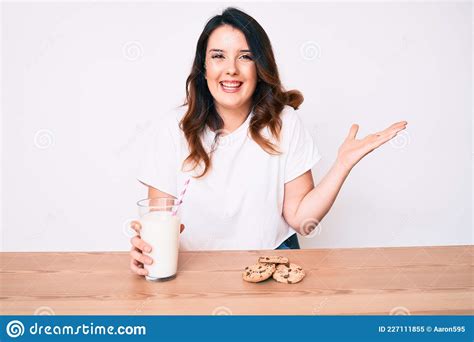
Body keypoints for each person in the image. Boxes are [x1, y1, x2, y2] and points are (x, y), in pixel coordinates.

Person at [129, 7, 407, 276]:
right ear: (203, 67)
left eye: (245, 57)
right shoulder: (172, 129)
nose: (231, 69)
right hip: (194, 269)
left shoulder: (284, 123)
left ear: (260, 67)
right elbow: (159, 220)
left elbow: (301, 220)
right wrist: (149, 251)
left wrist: (342, 165)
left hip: (270, 263)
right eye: (218, 56)